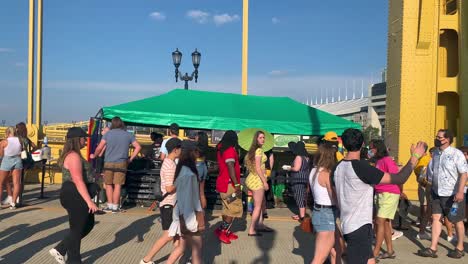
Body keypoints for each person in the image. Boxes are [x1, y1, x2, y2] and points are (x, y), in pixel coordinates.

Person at [332, 128, 426, 264]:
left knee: (370, 260)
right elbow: (400, 178)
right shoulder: (361, 167)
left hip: (348, 223)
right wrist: (415, 157)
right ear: (362, 143)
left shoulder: (338, 167)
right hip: (359, 227)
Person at [49, 127, 98, 264]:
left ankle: (61, 248)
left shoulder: (74, 155)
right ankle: (73, 260)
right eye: (84, 138)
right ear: (77, 140)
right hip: (74, 193)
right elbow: (77, 180)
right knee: (77, 229)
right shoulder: (73, 156)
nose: (86, 141)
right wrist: (89, 202)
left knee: (87, 224)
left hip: (75, 193)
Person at [418, 129, 467, 259]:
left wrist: (460, 191)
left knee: (457, 220)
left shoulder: (456, 154)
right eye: (437, 137)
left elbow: (463, 173)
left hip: (453, 194)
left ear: (448, 139)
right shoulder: (435, 154)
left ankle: (460, 247)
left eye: (440, 137)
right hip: (436, 193)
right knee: (435, 219)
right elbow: (431, 171)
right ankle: (433, 248)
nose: (437, 139)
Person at [140, 138, 182, 264]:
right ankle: (146, 259)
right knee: (168, 236)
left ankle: (180, 259)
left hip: (171, 204)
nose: (181, 151)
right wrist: (181, 182)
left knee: (177, 236)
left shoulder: (169, 162)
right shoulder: (170, 165)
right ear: (175, 150)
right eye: (180, 148)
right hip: (169, 204)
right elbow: (169, 188)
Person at [166, 140, 204, 264]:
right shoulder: (190, 173)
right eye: (196, 151)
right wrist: (197, 219)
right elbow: (192, 199)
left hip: (180, 213)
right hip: (188, 215)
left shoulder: (181, 168)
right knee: (197, 248)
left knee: (182, 247)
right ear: (192, 152)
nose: (197, 154)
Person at [93, 117, 141, 213]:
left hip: (108, 163)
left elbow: (99, 148)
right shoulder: (128, 134)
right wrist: (130, 159)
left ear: (112, 124)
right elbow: (138, 147)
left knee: (108, 184)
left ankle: (110, 205)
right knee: (118, 185)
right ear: (122, 124)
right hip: (122, 163)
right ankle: (115, 207)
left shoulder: (108, 134)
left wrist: (94, 155)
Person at [309, 144, 342, 264]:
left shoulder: (314, 171)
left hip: (320, 212)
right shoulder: (326, 174)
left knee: (336, 250)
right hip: (327, 214)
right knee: (319, 258)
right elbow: (334, 198)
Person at [368, 139, 401, 260]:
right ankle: (390, 250)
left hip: (389, 193)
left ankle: (375, 253)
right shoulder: (378, 161)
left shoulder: (387, 160)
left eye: (372, 148)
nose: (370, 150)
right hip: (380, 193)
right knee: (385, 222)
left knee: (379, 221)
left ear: (378, 148)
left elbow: (395, 176)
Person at [214, 130, 242, 244]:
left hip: (223, 184)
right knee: (233, 209)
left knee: (226, 207)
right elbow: (230, 166)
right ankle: (223, 231)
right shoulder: (230, 150)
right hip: (230, 185)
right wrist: (237, 185)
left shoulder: (222, 149)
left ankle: (222, 230)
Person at [245, 131, 274, 236]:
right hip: (257, 181)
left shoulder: (254, 150)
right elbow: (258, 168)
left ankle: (260, 224)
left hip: (253, 178)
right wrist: (264, 182)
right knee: (257, 206)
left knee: (261, 203)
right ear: (256, 139)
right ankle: (252, 229)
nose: (263, 139)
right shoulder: (258, 151)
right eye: (260, 137)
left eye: (263, 137)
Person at [285, 141, 311, 221]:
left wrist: (288, 168)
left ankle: (302, 216)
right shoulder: (307, 157)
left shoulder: (298, 157)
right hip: (305, 178)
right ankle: (301, 214)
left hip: (298, 179)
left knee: (299, 197)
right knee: (303, 197)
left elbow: (296, 168)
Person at [0, 127, 23, 209]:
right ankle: (13, 203)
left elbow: (1, 155)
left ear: (7, 132)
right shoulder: (20, 140)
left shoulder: (4, 142)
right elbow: (21, 151)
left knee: (1, 182)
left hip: (7, 160)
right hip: (18, 160)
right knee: (16, 183)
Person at [414, 144, 432, 240]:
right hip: (424, 186)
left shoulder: (425, 159)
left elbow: (422, 174)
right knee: (425, 207)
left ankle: (423, 224)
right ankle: (423, 227)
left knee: (425, 207)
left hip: (424, 186)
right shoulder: (420, 159)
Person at [195, 131, 209, 209]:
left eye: (197, 136)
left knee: (195, 193)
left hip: (197, 167)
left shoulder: (196, 148)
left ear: (199, 138)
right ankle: (202, 212)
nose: (195, 137)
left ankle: (198, 213)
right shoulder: (206, 147)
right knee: (202, 192)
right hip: (204, 166)